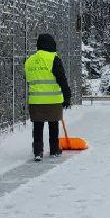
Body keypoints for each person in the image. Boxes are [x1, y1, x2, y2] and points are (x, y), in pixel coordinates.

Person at [23, 33, 72, 161]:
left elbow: (27, 79)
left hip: (35, 101)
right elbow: (62, 79)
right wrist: (67, 96)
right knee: (53, 124)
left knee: (38, 126)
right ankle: (54, 149)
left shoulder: (29, 61)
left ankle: (38, 151)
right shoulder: (53, 59)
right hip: (53, 100)